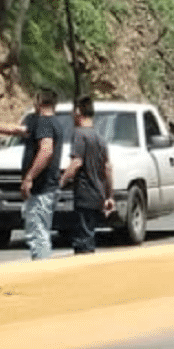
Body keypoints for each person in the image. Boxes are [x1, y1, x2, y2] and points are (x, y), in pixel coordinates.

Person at [0, 87, 62, 258]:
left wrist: (29, 178)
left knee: (38, 234)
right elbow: (14, 130)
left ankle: (42, 272)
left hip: (42, 188)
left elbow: (46, 150)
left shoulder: (44, 122)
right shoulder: (49, 122)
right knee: (38, 231)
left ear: (38, 101)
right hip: (45, 188)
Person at [59, 96, 114, 253]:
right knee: (89, 237)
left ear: (78, 112)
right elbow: (108, 169)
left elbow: (76, 163)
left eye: (73, 112)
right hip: (98, 195)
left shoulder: (79, 135)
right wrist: (110, 196)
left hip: (84, 195)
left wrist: (62, 181)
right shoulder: (101, 139)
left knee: (82, 242)